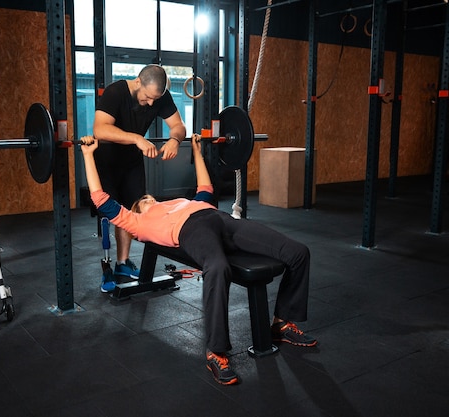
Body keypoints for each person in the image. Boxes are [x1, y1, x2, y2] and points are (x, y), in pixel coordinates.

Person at [80, 134, 317, 386]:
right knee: (217, 267)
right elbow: (100, 199)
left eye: (150, 197)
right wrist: (87, 155)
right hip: (191, 230)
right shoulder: (136, 222)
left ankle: (281, 323)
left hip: (221, 219)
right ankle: (216, 351)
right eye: (144, 200)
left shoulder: (181, 201)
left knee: (298, 252)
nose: (149, 198)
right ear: (137, 209)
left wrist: (196, 151)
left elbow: (205, 189)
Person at [93, 64, 187, 293]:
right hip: (107, 159)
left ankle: (123, 263)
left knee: (134, 210)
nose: (152, 103)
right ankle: (107, 265)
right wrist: (136, 138)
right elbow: (100, 129)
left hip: (131, 161)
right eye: (147, 97)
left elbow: (178, 125)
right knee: (111, 212)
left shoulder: (160, 97)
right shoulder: (115, 93)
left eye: (156, 98)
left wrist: (175, 140)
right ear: (138, 82)